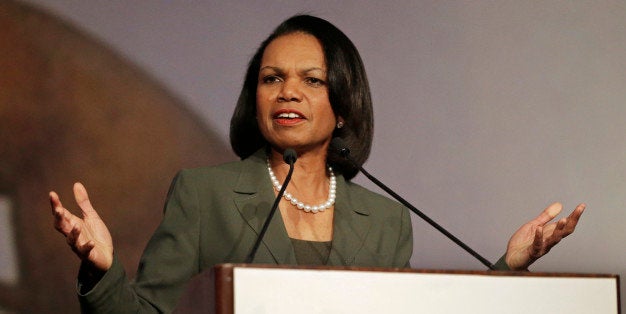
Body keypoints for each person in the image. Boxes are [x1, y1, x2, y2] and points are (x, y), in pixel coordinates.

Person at [49, 15, 585, 313]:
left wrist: (508, 269)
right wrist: (102, 272)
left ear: (345, 106)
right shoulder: (202, 194)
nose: (288, 93)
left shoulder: (386, 222)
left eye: (311, 79)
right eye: (271, 78)